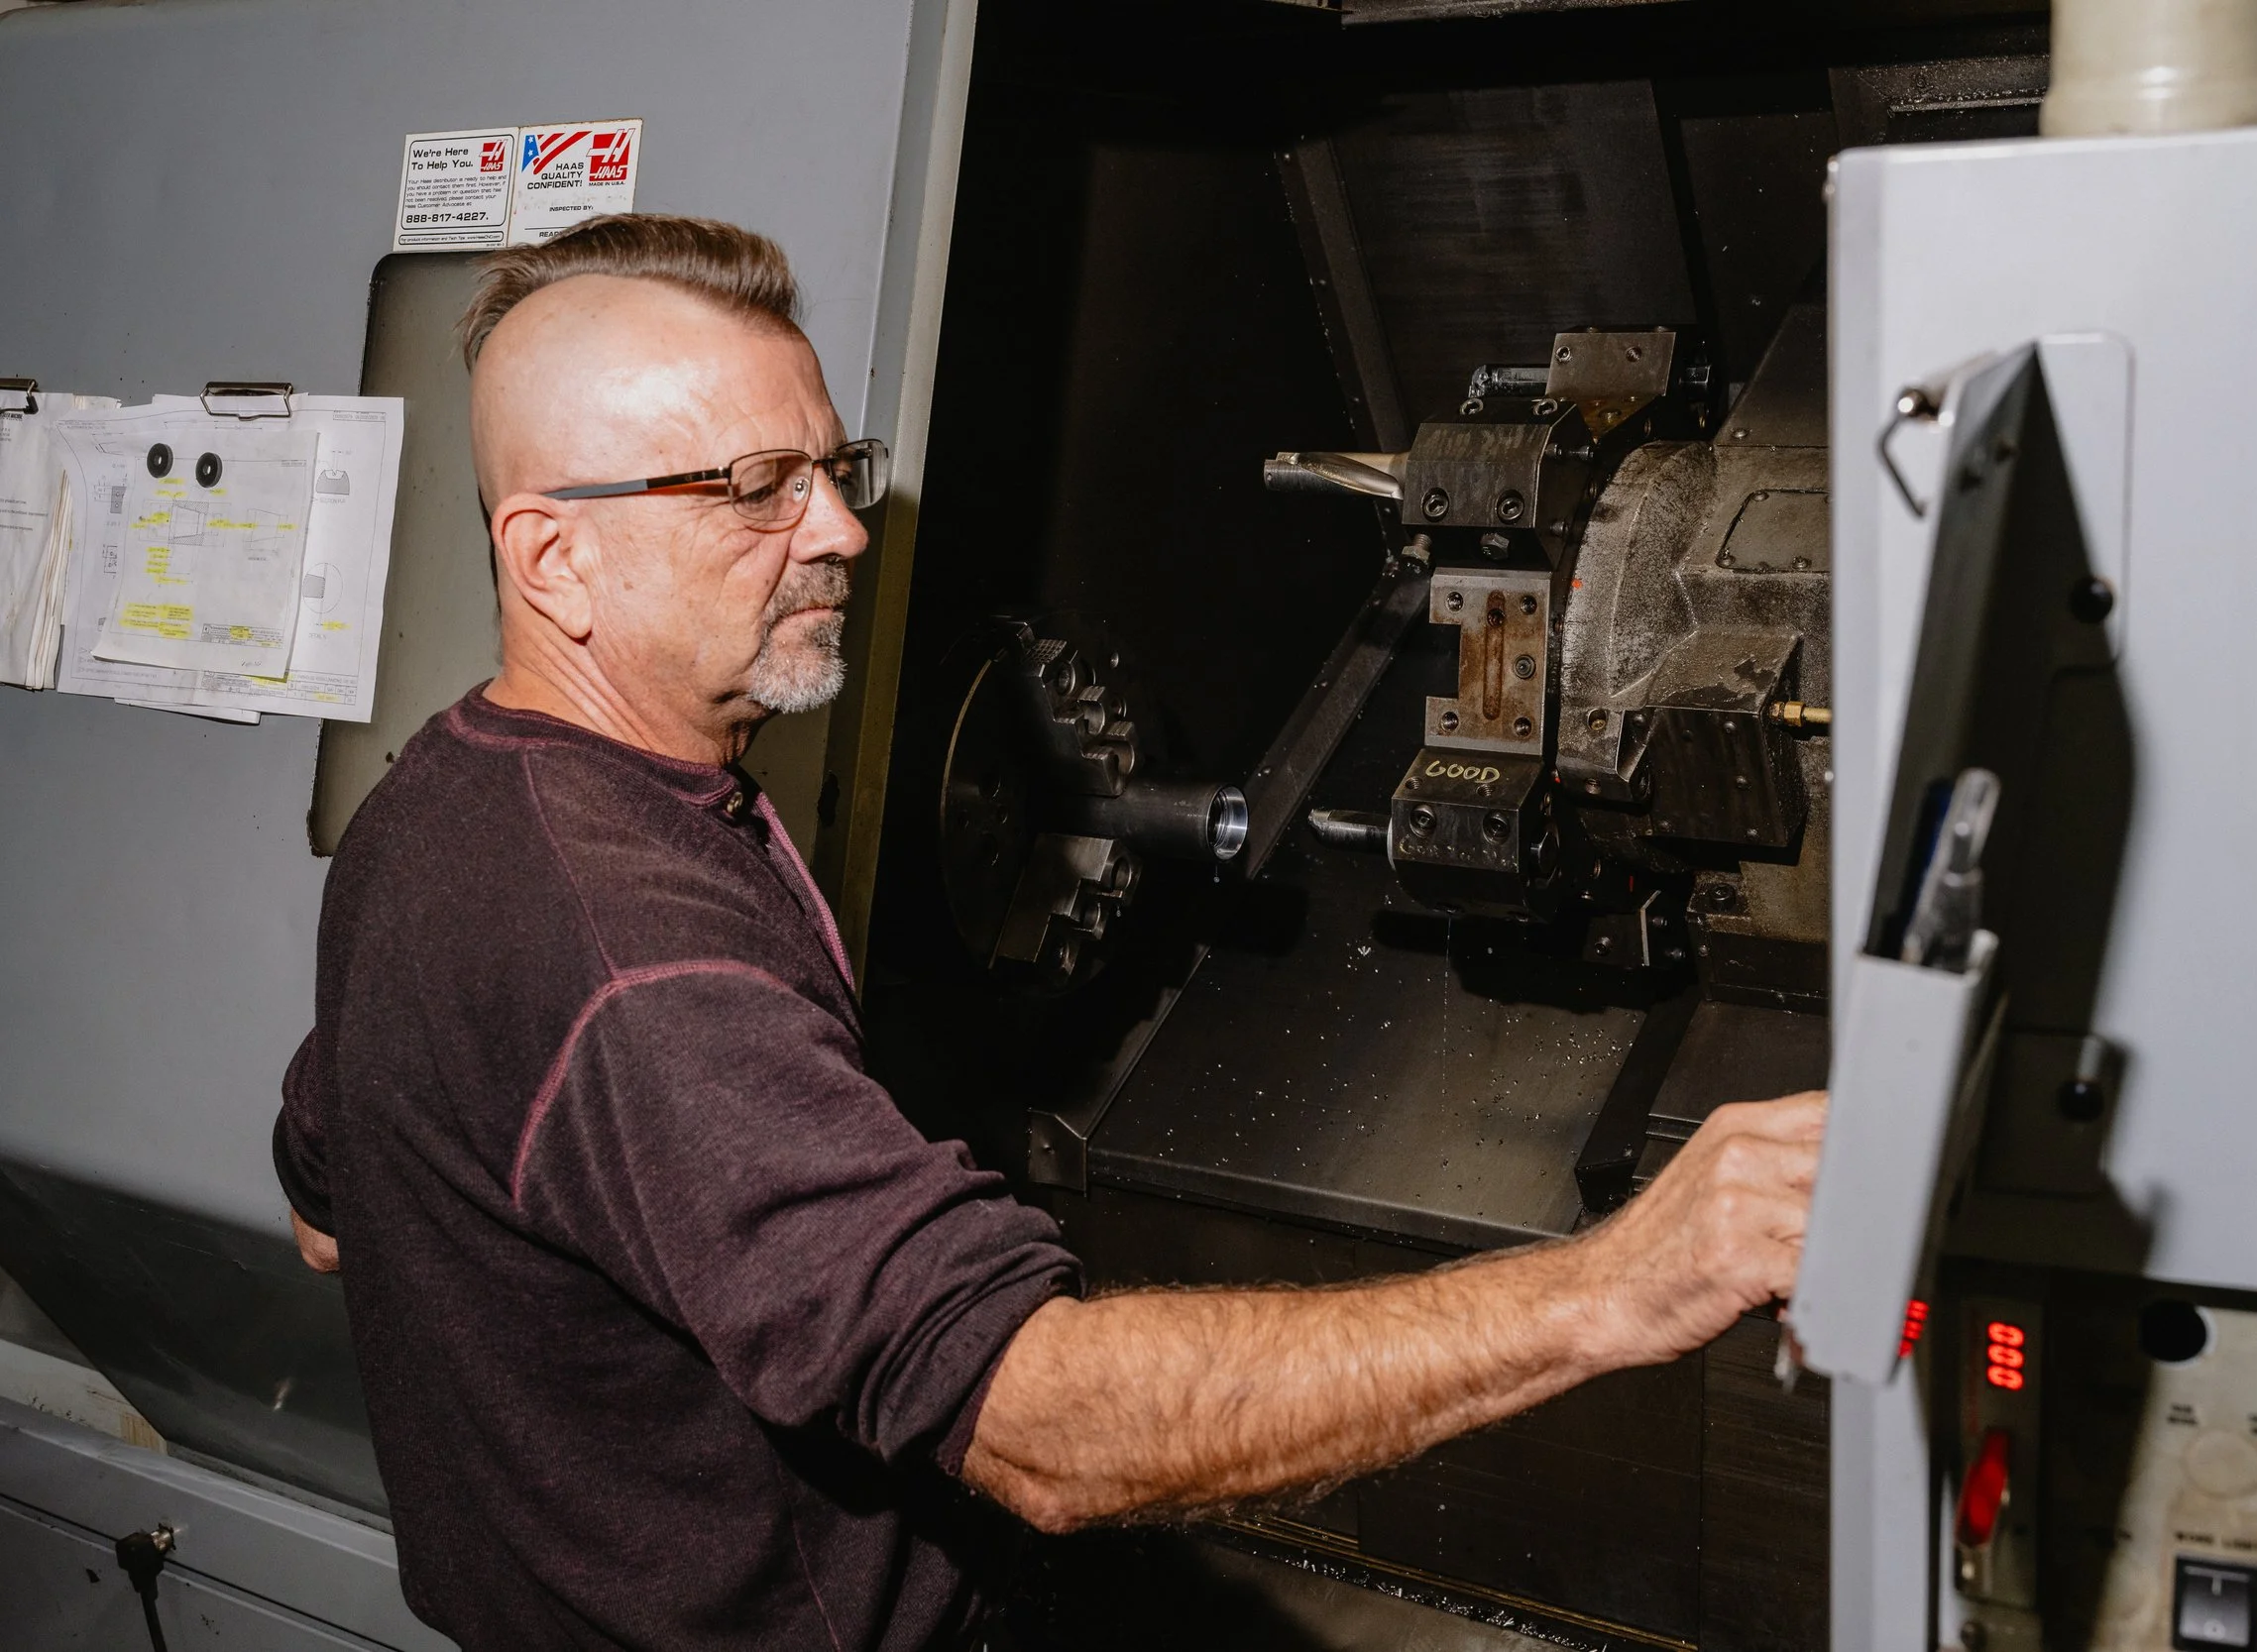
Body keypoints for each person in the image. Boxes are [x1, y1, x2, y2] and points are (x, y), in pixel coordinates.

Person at [274, 213, 1827, 1652]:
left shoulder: (437, 806)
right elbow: (1040, 1425)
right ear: (555, 557)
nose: (840, 534)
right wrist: (1620, 1283)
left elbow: (329, 1185)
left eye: (832, 465)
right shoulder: (633, 952)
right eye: (752, 488)